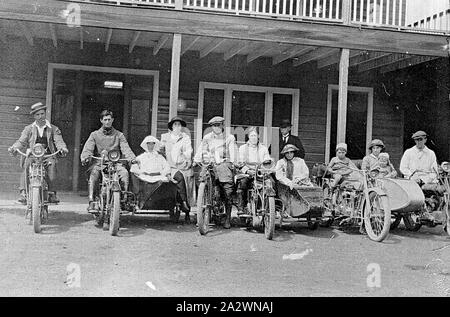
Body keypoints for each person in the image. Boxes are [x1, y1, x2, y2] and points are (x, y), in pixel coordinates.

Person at [8, 102, 69, 204]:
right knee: (27, 165)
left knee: (52, 166)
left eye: (42, 114)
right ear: (34, 116)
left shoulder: (53, 128)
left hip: (47, 155)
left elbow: (59, 141)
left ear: (45, 114)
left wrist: (63, 148)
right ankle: (23, 193)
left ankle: (51, 193)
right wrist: (14, 147)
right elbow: (21, 141)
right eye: (37, 115)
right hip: (33, 155)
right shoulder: (29, 129)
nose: (40, 116)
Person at [80, 110, 136, 212]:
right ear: (101, 120)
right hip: (100, 163)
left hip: (116, 163)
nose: (107, 122)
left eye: (109, 119)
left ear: (112, 120)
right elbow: (88, 148)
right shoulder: (95, 135)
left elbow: (125, 148)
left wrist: (131, 158)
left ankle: (123, 200)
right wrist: (86, 156)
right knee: (94, 174)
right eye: (105, 120)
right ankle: (92, 201)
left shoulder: (119, 135)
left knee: (124, 173)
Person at [130, 135, 191, 222]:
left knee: (167, 182)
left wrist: (166, 174)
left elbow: (166, 167)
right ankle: (144, 200)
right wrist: (138, 171)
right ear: (145, 145)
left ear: (155, 145)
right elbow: (134, 167)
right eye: (148, 144)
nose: (150, 146)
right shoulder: (141, 157)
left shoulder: (159, 157)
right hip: (146, 177)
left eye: (152, 144)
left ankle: (168, 200)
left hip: (158, 176)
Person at [193, 116, 237, 229]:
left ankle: (227, 218)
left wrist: (232, 161)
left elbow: (233, 153)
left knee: (227, 190)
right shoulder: (207, 137)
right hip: (211, 164)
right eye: (214, 126)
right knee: (202, 179)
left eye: (218, 125)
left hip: (223, 164)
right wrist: (196, 159)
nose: (216, 128)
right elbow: (201, 150)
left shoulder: (229, 138)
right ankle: (201, 214)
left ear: (222, 126)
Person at [160, 116, 193, 222]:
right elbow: (160, 150)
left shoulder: (185, 137)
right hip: (171, 166)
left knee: (188, 181)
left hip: (183, 165)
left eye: (179, 125)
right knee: (179, 177)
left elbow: (188, 152)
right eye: (175, 124)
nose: (177, 127)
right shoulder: (165, 137)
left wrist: (187, 159)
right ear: (171, 127)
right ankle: (183, 202)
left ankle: (187, 210)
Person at [236, 127, 273, 214]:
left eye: (255, 136)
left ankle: (268, 206)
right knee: (242, 183)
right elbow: (240, 162)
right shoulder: (243, 148)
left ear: (258, 136)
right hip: (247, 172)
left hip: (260, 172)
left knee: (270, 183)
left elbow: (267, 160)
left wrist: (265, 167)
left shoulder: (263, 148)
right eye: (252, 136)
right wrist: (247, 170)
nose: (254, 138)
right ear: (248, 137)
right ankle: (242, 207)